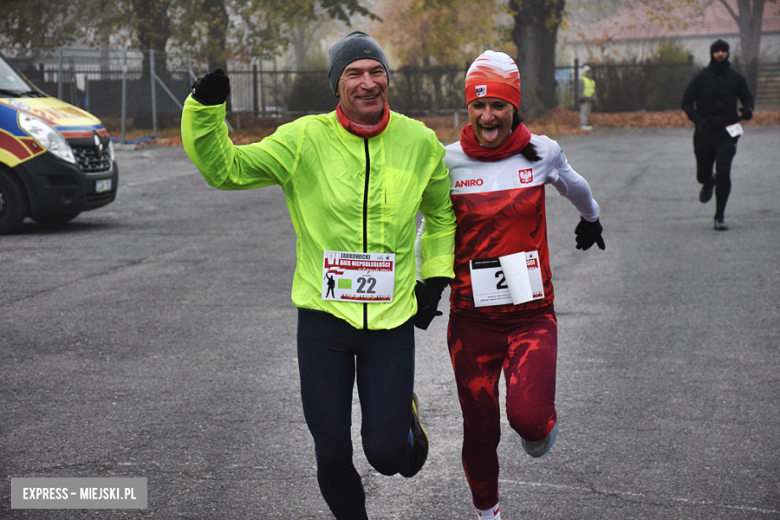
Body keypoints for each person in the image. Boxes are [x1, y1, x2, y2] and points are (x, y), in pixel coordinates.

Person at [181, 31, 456, 520]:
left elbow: (440, 215)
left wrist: (435, 276)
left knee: (390, 457)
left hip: (390, 323)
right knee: (331, 450)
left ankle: (405, 427)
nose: (368, 83)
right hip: (324, 321)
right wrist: (205, 110)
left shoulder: (418, 142)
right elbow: (227, 168)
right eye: (354, 73)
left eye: (377, 72)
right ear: (337, 86)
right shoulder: (304, 138)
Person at [417, 50, 604, 520]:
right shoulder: (448, 162)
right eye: (478, 105)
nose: (487, 115)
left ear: (514, 106)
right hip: (471, 322)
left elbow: (574, 183)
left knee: (530, 422)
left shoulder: (542, 151)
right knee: (479, 432)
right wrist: (425, 282)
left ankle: (538, 426)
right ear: (468, 108)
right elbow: (429, 228)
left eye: (498, 105)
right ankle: (488, 513)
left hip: (531, 316)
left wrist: (592, 217)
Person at [681, 39, 754, 230]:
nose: (720, 54)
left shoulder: (736, 77)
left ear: (728, 53)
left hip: (728, 130)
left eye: (724, 50)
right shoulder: (701, 78)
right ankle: (708, 181)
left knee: (724, 171)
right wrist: (698, 119)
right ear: (711, 53)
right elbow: (686, 103)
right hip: (705, 130)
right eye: (717, 51)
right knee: (703, 174)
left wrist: (748, 110)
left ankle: (719, 216)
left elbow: (747, 98)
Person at [578, 65, 597, 130]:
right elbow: (580, 90)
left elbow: (593, 91)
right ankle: (583, 124)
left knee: (587, 112)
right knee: (584, 111)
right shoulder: (582, 80)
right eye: (587, 72)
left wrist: (595, 100)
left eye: (589, 72)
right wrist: (581, 97)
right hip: (584, 99)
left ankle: (585, 123)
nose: (589, 73)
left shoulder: (592, 81)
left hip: (589, 99)